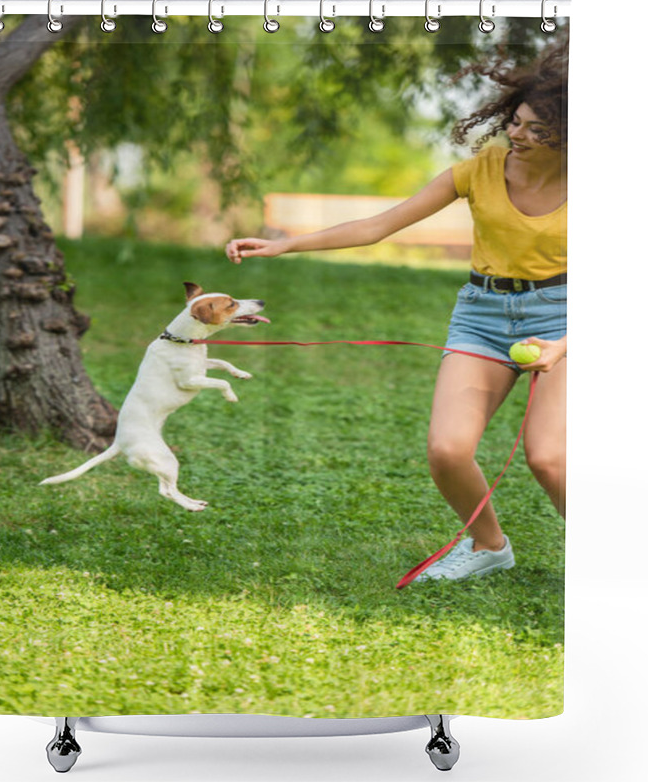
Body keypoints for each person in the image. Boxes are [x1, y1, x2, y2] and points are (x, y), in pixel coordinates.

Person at [225, 43, 567, 582]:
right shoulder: (481, 170)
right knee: (447, 450)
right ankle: (488, 547)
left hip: (564, 317)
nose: (517, 135)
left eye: (536, 130)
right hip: (482, 314)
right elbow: (380, 224)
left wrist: (565, 345)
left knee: (548, 459)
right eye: (516, 122)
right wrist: (285, 245)